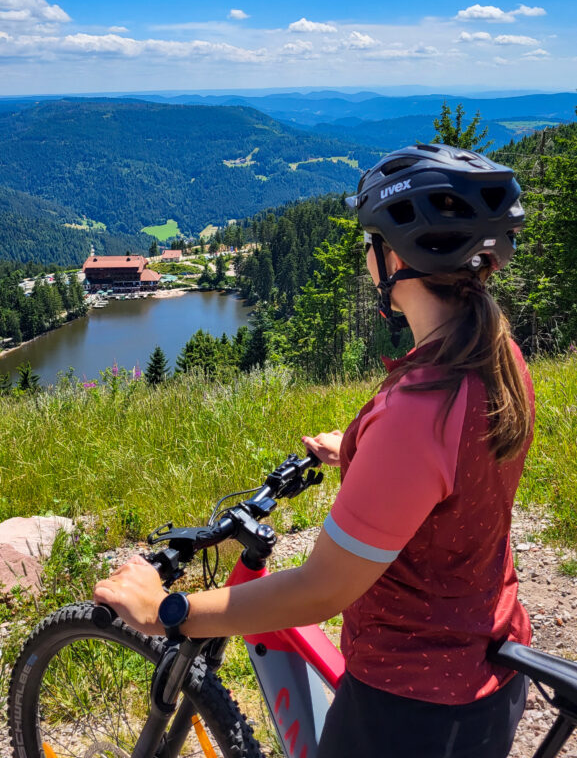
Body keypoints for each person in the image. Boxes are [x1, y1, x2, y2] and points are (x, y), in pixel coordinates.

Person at [94, 143, 534, 758]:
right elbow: (447, 476)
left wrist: (167, 610)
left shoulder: (418, 412)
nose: (367, 258)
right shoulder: (494, 356)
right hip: (487, 668)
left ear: (394, 258)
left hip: (409, 712)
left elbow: (323, 589)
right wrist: (359, 450)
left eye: (370, 244)